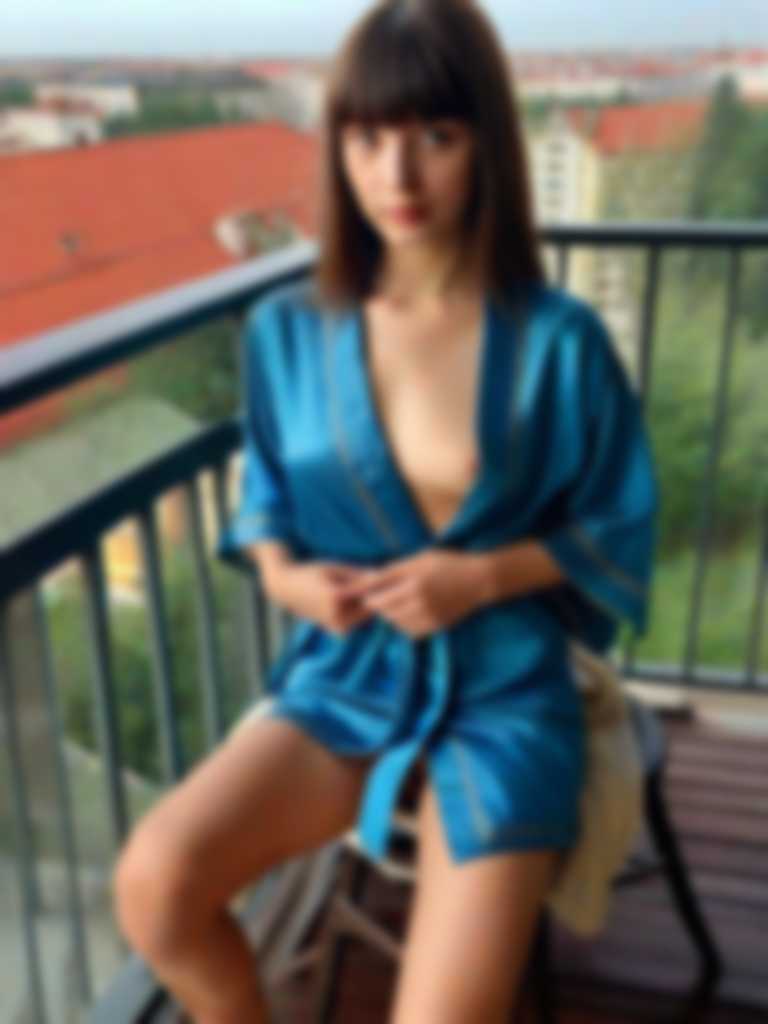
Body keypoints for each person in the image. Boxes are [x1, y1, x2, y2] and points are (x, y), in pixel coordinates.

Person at [112, 1, 660, 1021]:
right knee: (156, 882)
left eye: (435, 137)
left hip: (503, 686)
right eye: (367, 138)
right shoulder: (286, 330)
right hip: (349, 670)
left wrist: (483, 576)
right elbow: (266, 495)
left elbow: (618, 518)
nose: (396, 177)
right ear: (337, 147)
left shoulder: (558, 341)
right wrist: (285, 579)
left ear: (486, 143)